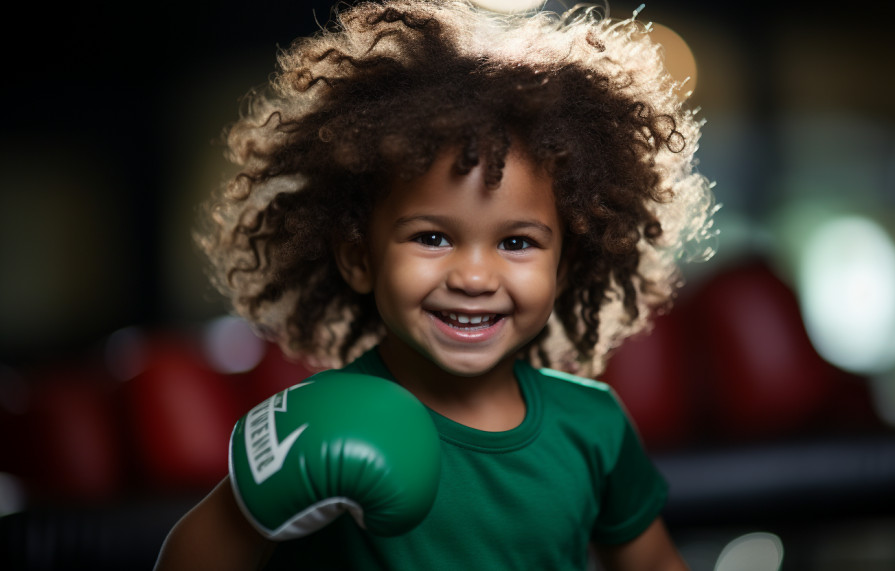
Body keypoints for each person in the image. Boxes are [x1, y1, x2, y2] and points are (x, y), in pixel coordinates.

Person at [154, 0, 716, 569]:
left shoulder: (593, 424)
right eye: (432, 238)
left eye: (517, 243)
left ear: (564, 267)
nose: (473, 277)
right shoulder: (322, 422)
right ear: (359, 258)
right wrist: (243, 509)